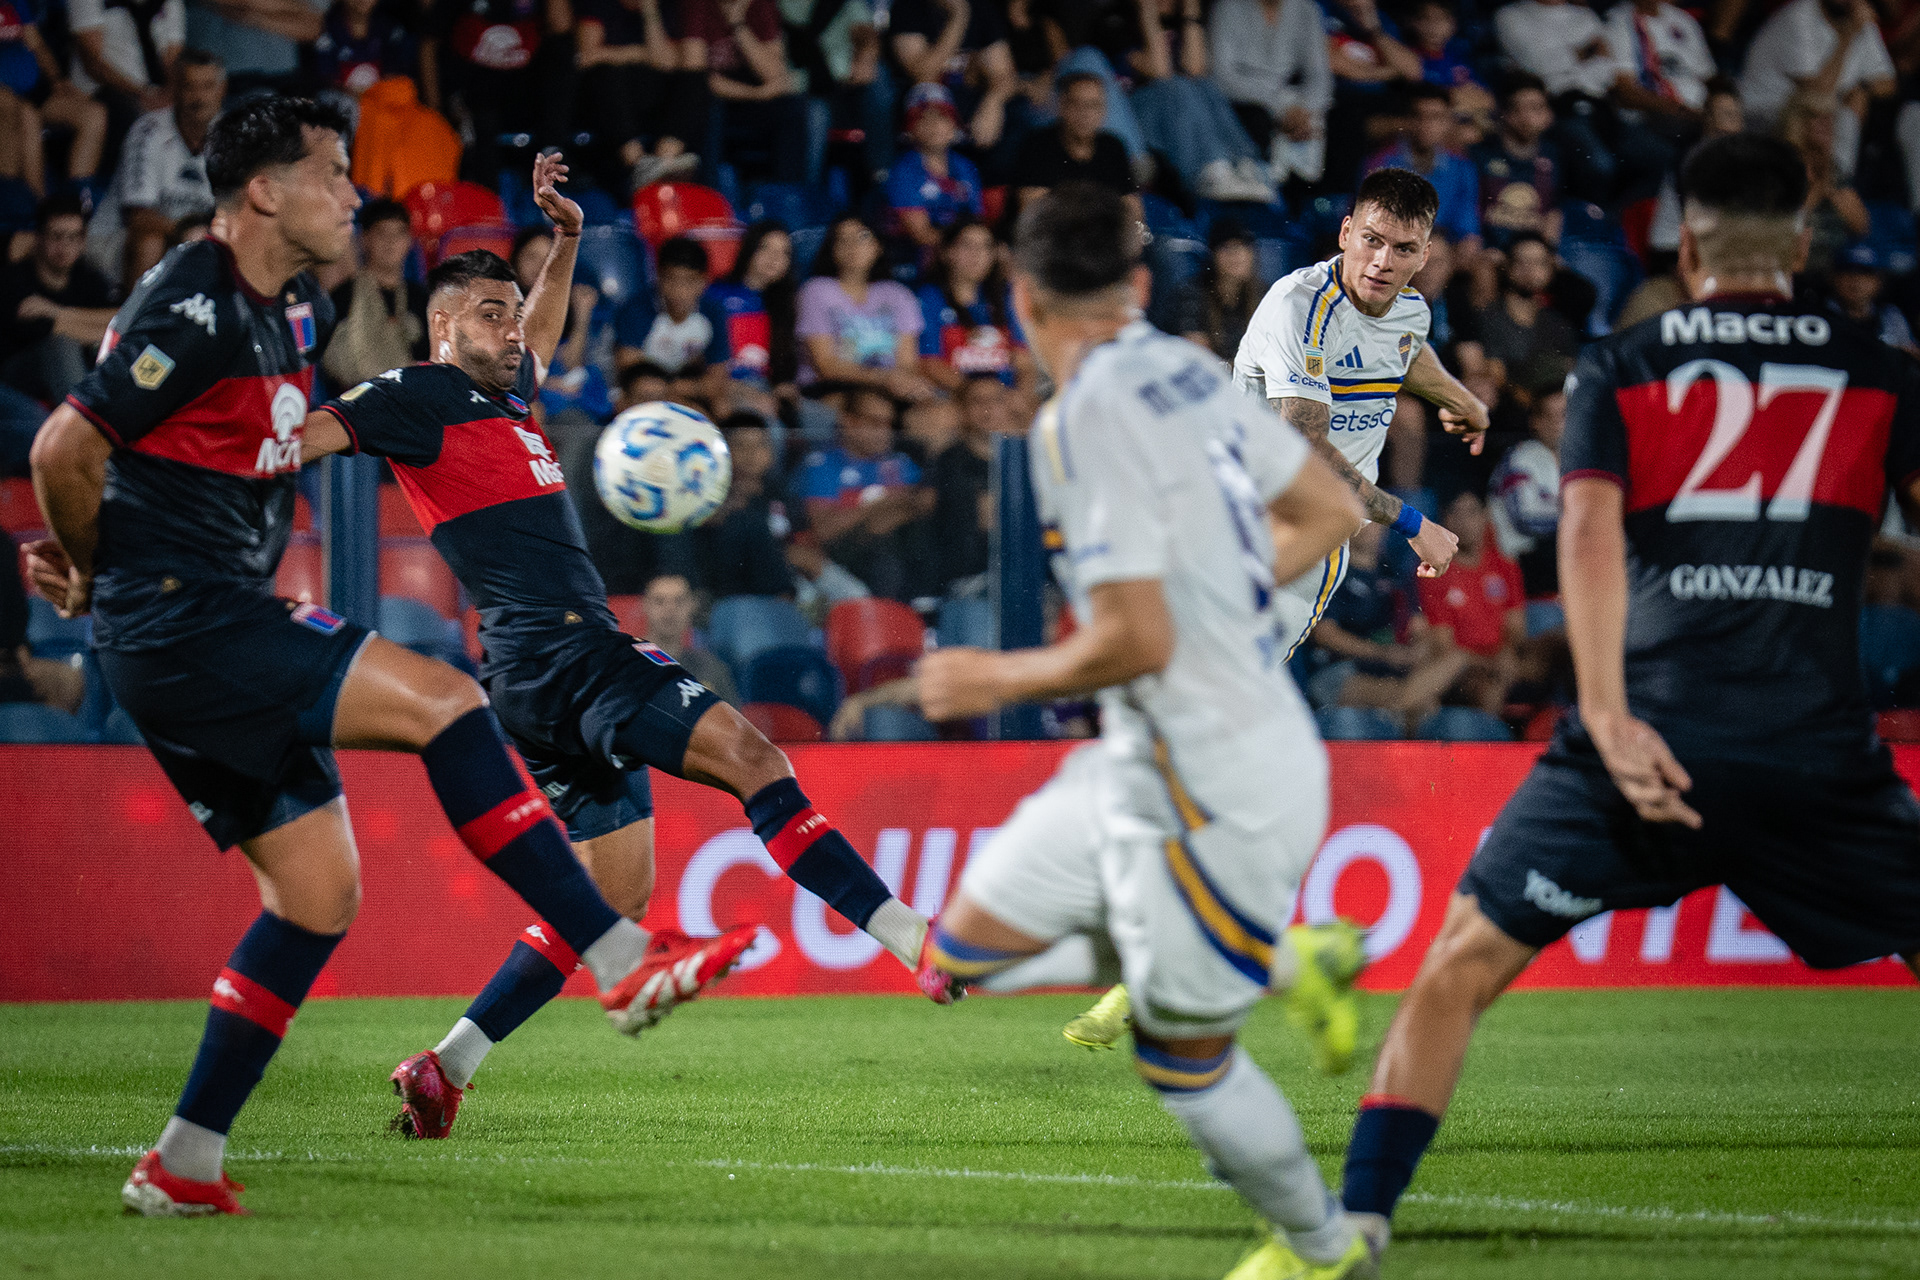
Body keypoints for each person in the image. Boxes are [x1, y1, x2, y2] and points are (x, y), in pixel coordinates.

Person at [24, 95, 697, 1218]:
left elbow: (205, 445)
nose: (353, 191)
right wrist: (97, 569)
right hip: (186, 616)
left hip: (191, 617)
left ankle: (182, 1161)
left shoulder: (291, 307)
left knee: (318, 897)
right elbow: (63, 446)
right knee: (444, 701)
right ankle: (619, 953)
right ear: (263, 190)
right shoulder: (196, 299)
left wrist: (563, 249)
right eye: (333, 172)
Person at [1333, 132, 1920, 1267]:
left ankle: (1355, 1222)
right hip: (1817, 754)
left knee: (1456, 966)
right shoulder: (1882, 371)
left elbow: (1590, 537)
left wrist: (1604, 714)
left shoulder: (1625, 361)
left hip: (1644, 736)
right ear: (1802, 242)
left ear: (1687, 245)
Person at [297, 154, 943, 1137]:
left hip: (534, 671)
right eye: (491, 314)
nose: (514, 329)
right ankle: (911, 938)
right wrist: (210, 466)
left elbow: (543, 327)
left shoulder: (504, 395)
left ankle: (445, 1065)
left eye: (514, 312)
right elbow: (302, 439)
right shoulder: (415, 393)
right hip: (563, 651)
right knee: (754, 760)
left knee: (615, 894)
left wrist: (564, 238)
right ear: (443, 325)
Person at [911, 183, 1379, 1280]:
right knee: (955, 955)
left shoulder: (1082, 419)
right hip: (1142, 752)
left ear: (1020, 297)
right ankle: (1284, 957)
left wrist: (992, 675)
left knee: (1181, 1058)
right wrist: (1219, 594)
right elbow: (1330, 511)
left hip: (1218, 772)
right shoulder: (1187, 367)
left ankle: (1325, 1249)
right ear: (1131, 285)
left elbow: (1134, 638)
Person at [1232, 167, 1490, 667]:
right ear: (1346, 232)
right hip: (1247, 514)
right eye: (1372, 240)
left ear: (1424, 256)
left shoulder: (1411, 309)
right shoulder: (1300, 308)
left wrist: (1460, 399)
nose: (1382, 262)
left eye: (1404, 249)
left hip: (1322, 530)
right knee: (1221, 677)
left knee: (1237, 680)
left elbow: (1407, 350)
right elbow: (1305, 455)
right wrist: (1413, 524)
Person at [86, 48, 222, 290]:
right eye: (190, 87)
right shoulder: (148, 131)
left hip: (192, 239)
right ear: (175, 89)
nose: (199, 97)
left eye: (208, 87)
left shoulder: (229, 134)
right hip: (113, 240)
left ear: (222, 90)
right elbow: (138, 218)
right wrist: (187, 232)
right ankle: (136, 314)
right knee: (151, 242)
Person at [796, 386, 935, 601]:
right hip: (845, 561)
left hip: (900, 557)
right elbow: (824, 532)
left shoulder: (900, 463)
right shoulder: (823, 465)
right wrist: (879, 505)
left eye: (889, 423)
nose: (885, 431)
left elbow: (925, 506)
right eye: (875, 423)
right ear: (848, 422)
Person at [1740, 0, 1894, 178]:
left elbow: (1888, 84)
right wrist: (1848, 35)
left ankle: (1834, 180)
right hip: (1762, 110)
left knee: (1855, 101)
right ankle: (1830, 181)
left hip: (1811, 109)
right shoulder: (1799, 17)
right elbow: (1817, 91)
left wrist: (1860, 87)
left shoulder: (1861, 23)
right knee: (1830, 113)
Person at [0, 194, 119, 409]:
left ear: (83, 241)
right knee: (61, 345)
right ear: (39, 237)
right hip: (16, 377)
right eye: (56, 236)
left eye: (73, 237)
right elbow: (55, 332)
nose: (64, 246)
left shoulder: (89, 278)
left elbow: (121, 317)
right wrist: (98, 328)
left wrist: (56, 311)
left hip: (72, 372)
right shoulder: (14, 280)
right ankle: (82, 419)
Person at [795, 215, 933, 399]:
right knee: (873, 406)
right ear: (832, 249)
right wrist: (884, 378)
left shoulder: (898, 294)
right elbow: (826, 365)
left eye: (862, 237)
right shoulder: (816, 290)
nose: (852, 246)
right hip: (833, 387)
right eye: (843, 240)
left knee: (937, 409)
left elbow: (907, 363)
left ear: (878, 246)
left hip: (890, 387)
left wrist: (904, 384)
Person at [575, 0, 705, 191]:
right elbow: (586, 57)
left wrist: (649, 10)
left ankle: (664, 160)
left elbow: (665, 61)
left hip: (653, 94)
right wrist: (639, 53)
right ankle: (639, 165)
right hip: (610, 97)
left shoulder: (667, 8)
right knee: (605, 75)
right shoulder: (601, 5)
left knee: (695, 79)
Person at [681, 0, 809, 185]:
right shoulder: (697, 6)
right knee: (708, 107)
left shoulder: (761, 6)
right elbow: (697, 78)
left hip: (752, 99)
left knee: (792, 107)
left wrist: (738, 25)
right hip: (715, 98)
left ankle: (786, 193)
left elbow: (775, 74)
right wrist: (756, 94)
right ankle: (709, 193)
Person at [1209, 0, 1333, 187]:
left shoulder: (1306, 9)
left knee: (1343, 116)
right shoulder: (1228, 7)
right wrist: (1281, 107)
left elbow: (1319, 74)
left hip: (1294, 102)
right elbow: (1222, 76)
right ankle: (1259, 187)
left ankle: (1320, 197)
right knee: (1257, 118)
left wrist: (1306, 110)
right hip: (1243, 96)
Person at [0, 0, 110, 195]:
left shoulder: (16, 2)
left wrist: (58, 80)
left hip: (35, 90)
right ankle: (38, 205)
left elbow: (37, 44)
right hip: (5, 95)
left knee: (93, 114)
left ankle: (77, 201)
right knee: (28, 116)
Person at [915, 217, 1033, 393]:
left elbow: (1024, 361)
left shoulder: (1007, 296)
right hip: (954, 395)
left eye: (986, 247)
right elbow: (929, 364)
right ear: (947, 252)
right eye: (967, 245)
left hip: (1005, 396)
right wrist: (977, 394)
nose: (977, 254)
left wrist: (1021, 397)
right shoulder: (929, 297)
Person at [322, 197, 427, 390]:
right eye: (382, 233)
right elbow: (336, 366)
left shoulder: (421, 298)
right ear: (365, 239)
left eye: (399, 233)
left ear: (409, 241)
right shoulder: (343, 297)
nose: (391, 242)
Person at [687, 410, 794, 598]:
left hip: (785, 586)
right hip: (723, 592)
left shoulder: (782, 493)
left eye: (760, 445)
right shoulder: (707, 493)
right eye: (741, 446)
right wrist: (726, 508)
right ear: (724, 451)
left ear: (771, 451)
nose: (751, 454)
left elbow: (803, 543)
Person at [1364, 83, 1482, 252]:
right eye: (1419, 116)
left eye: (1436, 117)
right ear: (1407, 120)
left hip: (1444, 248)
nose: (1426, 124)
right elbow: (1376, 222)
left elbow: (1467, 224)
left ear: (1447, 122)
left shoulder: (1461, 167)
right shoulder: (1382, 163)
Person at [888, 0, 1018, 151]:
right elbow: (923, 73)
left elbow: (1004, 75)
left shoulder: (982, 7)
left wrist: (993, 102)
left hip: (972, 109)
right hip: (925, 105)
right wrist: (958, 17)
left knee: (1017, 112)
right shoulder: (908, 7)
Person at [1011, 73, 1141, 223]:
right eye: (1077, 104)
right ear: (1062, 106)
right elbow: (1033, 213)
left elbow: (1133, 209)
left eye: (1093, 105)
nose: (1085, 114)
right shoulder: (1037, 145)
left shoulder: (1112, 146)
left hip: (1101, 234)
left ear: (1103, 111)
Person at [67, 0, 183, 149]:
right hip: (101, 90)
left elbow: (173, 59)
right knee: (141, 120)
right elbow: (93, 64)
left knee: (196, 110)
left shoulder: (170, 3)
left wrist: (169, 94)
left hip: (153, 90)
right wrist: (141, 94)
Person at [929, 373, 1006, 593]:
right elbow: (982, 519)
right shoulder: (948, 461)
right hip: (968, 581)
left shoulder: (1023, 456)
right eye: (978, 401)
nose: (988, 409)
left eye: (995, 400)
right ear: (962, 410)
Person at [886, 83, 983, 256]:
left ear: (954, 126)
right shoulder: (903, 171)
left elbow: (976, 220)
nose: (934, 125)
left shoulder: (965, 166)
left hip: (960, 252)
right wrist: (965, 250)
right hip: (916, 259)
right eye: (923, 119)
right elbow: (921, 235)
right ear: (910, 129)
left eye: (942, 117)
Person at [1469, 74, 1563, 250]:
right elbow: (1467, 211)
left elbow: (1555, 212)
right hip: (1489, 252)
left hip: (1533, 254)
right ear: (1504, 113)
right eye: (1520, 108)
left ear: (1547, 114)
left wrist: (1548, 250)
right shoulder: (1478, 155)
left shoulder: (1554, 156)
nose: (1528, 117)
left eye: (1536, 108)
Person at [707, 220, 798, 388]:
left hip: (767, 388)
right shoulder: (715, 294)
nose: (774, 258)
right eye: (765, 248)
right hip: (723, 386)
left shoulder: (787, 304)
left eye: (784, 253)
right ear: (750, 248)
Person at [1162, 218, 1261, 363]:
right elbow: (1196, 353)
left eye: (1242, 247)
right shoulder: (1191, 292)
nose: (1236, 255)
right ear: (1213, 255)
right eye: (1226, 248)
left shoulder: (1263, 294)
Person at [639, 572, 740, 704]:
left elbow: (731, 717)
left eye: (679, 601)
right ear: (645, 605)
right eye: (659, 601)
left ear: (691, 606)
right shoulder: (624, 666)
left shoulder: (712, 669)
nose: (670, 609)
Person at [309, 0, 419, 97]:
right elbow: (328, 80)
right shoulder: (328, 30)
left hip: (381, 100)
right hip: (344, 102)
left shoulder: (390, 29)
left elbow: (395, 76)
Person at [1827, 241, 1920, 356]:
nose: (1857, 281)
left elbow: (1912, 354)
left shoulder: (1891, 317)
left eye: (1865, 273)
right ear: (1833, 277)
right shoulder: (1820, 313)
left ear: (1879, 281)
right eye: (1848, 272)